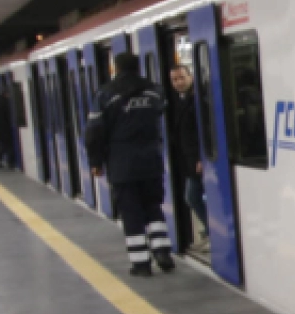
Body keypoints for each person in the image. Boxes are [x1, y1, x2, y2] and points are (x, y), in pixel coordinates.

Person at [86, 53, 172, 276]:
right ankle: (162, 252)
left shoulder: (105, 93)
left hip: (121, 161)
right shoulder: (155, 90)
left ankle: (141, 263)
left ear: (116, 68)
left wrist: (95, 161)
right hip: (151, 158)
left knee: (131, 212)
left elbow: (95, 131)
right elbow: (160, 112)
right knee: (153, 205)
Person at [169, 64, 208, 245]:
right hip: (189, 160)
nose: (179, 82)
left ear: (191, 77)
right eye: (175, 80)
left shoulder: (199, 99)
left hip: (200, 159)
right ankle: (210, 230)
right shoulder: (180, 100)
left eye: (182, 78)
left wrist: (202, 156)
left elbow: (206, 129)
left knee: (192, 196)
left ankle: (211, 231)